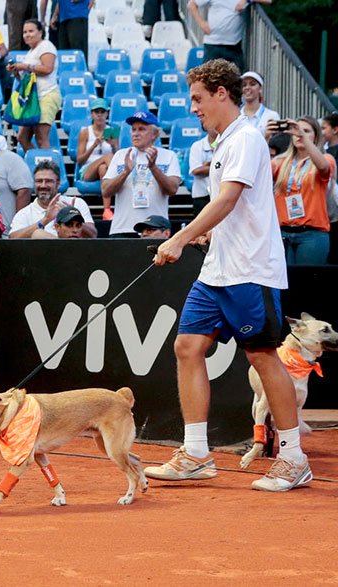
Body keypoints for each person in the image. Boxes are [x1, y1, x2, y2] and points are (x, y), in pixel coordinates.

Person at [148, 58, 311, 492]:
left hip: (250, 270)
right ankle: (197, 453)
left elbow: (227, 200)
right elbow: (229, 211)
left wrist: (180, 237)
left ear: (222, 93)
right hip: (218, 268)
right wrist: (206, 237)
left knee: (261, 355)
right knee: (188, 346)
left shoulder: (245, 139)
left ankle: (294, 458)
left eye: (198, 99)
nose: (194, 108)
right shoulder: (224, 142)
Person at [101, 111, 181, 238]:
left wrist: (153, 168)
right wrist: (125, 173)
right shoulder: (121, 155)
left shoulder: (168, 156)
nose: (136, 134)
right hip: (122, 228)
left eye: (141, 129)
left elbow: (172, 189)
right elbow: (105, 191)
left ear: (154, 134)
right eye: (133, 130)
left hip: (155, 230)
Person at [271, 116, 335, 265]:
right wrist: (266, 137)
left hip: (312, 235)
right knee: (284, 286)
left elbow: (323, 167)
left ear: (316, 136)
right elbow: (257, 172)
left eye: (306, 131)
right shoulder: (280, 162)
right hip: (283, 233)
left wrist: (303, 137)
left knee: (307, 285)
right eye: (297, 131)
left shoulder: (327, 158)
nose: (299, 134)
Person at [6, 19, 59, 150]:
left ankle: (48, 168)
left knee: (41, 138)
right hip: (32, 99)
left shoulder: (46, 46)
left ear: (40, 32)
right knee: (22, 138)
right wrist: (16, 72)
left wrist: (24, 66)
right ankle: (36, 165)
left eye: (31, 31)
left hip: (46, 95)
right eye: (24, 32)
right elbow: (27, 80)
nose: (27, 35)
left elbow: (47, 69)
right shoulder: (30, 52)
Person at [9, 159, 95, 238]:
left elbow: (93, 235)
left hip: (74, 253)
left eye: (48, 181)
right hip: (41, 254)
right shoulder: (24, 213)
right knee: (38, 234)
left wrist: (73, 218)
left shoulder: (76, 203)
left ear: (58, 184)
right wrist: (45, 220)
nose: (43, 185)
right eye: (39, 181)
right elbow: (12, 239)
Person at [187, 0, 272, 72]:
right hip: (212, 44)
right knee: (209, 79)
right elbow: (191, 5)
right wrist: (201, 23)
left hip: (233, 45)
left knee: (236, 81)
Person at [77, 98, 118, 219]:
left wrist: (112, 144)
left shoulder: (112, 130)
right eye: (96, 112)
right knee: (108, 158)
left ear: (106, 114)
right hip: (87, 170)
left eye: (102, 112)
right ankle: (118, 178)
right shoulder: (85, 132)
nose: (99, 115)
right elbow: (80, 160)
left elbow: (118, 155)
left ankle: (107, 210)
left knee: (102, 168)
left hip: (105, 169)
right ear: (92, 114)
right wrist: (94, 145)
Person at [239, 71, 279, 137]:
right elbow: (216, 143)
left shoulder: (272, 116)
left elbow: (277, 144)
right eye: (244, 85)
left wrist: (267, 138)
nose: (247, 88)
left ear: (260, 89)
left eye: (252, 84)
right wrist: (214, 144)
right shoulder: (235, 116)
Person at [188, 129, 216, 217]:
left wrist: (208, 165)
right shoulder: (197, 146)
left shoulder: (228, 143)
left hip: (220, 194)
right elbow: (196, 170)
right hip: (202, 197)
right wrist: (217, 166)